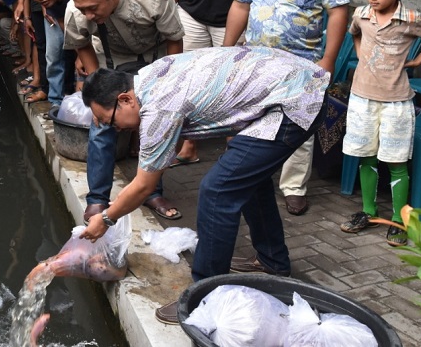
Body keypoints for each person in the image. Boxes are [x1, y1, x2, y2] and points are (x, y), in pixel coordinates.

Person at [76, 47, 330, 324]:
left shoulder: (158, 108)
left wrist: (105, 218)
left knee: (217, 189)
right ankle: (272, 261)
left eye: (108, 120)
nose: (113, 128)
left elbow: (143, 186)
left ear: (125, 99)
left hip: (296, 98)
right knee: (245, 179)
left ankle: (203, 297)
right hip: (293, 85)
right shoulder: (147, 78)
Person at [223, 0, 350, 217]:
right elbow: (241, 5)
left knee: (298, 124)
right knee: (251, 119)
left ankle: (294, 187)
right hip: (256, 61)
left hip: (302, 64)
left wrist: (329, 60)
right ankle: (252, 179)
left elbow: (338, 13)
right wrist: (226, 51)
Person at [63, 0, 184, 222]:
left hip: (155, 62)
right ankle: (97, 199)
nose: (87, 15)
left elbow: (175, 40)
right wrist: (98, 91)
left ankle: (151, 192)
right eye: (82, 9)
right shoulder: (75, 9)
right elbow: (81, 44)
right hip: (111, 62)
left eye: (93, 8)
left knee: (154, 127)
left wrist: (170, 85)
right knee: (101, 124)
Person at [338, 0, 421, 246]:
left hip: (396, 102)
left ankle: (399, 220)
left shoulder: (410, 18)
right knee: (366, 157)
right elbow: (355, 33)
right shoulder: (361, 13)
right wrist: (361, 56)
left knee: (397, 162)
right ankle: (368, 213)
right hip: (362, 99)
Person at [21, 0, 74, 108]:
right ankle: (55, 102)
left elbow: (77, 33)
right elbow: (66, 32)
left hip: (76, 20)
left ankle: (75, 98)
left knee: (77, 59)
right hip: (54, 17)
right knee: (53, 56)